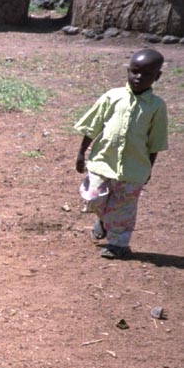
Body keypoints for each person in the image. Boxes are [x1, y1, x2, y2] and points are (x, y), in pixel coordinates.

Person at [74, 48, 168, 260]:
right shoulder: (112, 97)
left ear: (157, 76)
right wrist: (81, 153)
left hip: (134, 168)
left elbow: (155, 142)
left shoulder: (156, 106)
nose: (138, 77)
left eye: (146, 74)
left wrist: (148, 169)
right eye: (134, 71)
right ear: (128, 70)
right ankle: (104, 219)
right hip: (102, 162)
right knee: (93, 197)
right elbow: (93, 126)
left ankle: (118, 245)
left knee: (124, 208)